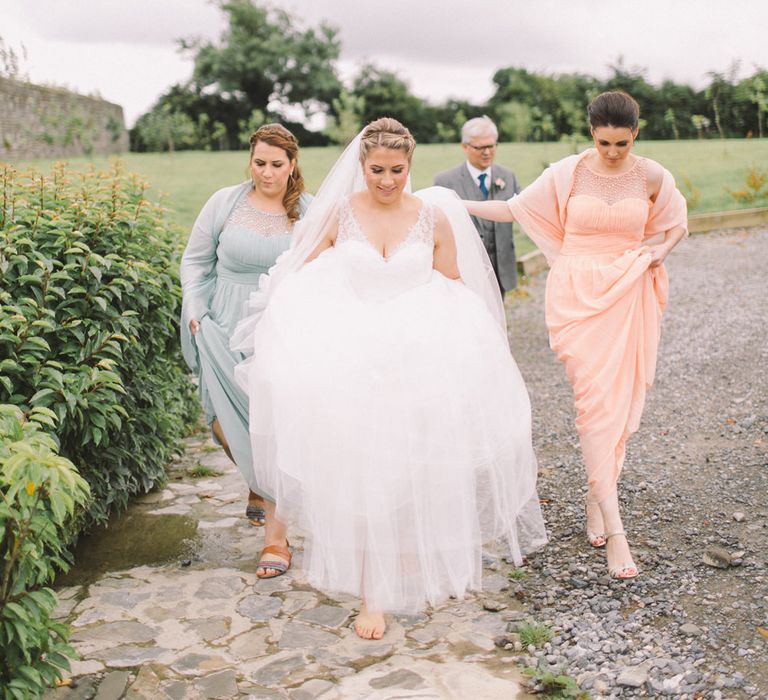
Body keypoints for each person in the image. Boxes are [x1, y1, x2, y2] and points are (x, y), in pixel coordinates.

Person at [233, 118, 546, 639]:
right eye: (377, 170)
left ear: (410, 165)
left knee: (411, 468)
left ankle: (408, 558)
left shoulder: (431, 218)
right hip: (352, 358)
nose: (386, 180)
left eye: (396, 170)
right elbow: (301, 271)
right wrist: (284, 320)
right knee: (362, 470)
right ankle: (370, 594)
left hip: (415, 356)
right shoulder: (341, 213)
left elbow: (453, 283)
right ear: (362, 166)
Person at [463, 92, 688, 579]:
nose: (612, 151)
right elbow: (515, 209)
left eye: (622, 143)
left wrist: (657, 254)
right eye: (604, 142)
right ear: (592, 133)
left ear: (636, 135)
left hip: (627, 291)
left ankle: (597, 498)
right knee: (593, 405)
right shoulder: (570, 172)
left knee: (619, 404)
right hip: (576, 296)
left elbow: (677, 224)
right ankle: (617, 529)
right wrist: (457, 204)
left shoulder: (652, 176)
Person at [180, 123, 312, 562]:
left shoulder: (308, 213)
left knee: (269, 427)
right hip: (220, 322)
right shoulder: (224, 203)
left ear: (292, 165)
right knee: (221, 422)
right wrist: (196, 308)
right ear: (249, 161)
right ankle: (257, 482)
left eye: (277, 165)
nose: (267, 173)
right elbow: (196, 261)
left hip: (279, 330)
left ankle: (276, 539)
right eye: (260, 163)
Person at [434, 116, 521, 293]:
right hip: (464, 267)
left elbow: (526, 210)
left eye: (491, 146)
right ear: (464, 147)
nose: (487, 152)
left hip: (501, 267)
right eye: (480, 147)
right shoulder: (445, 181)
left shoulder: (508, 176)